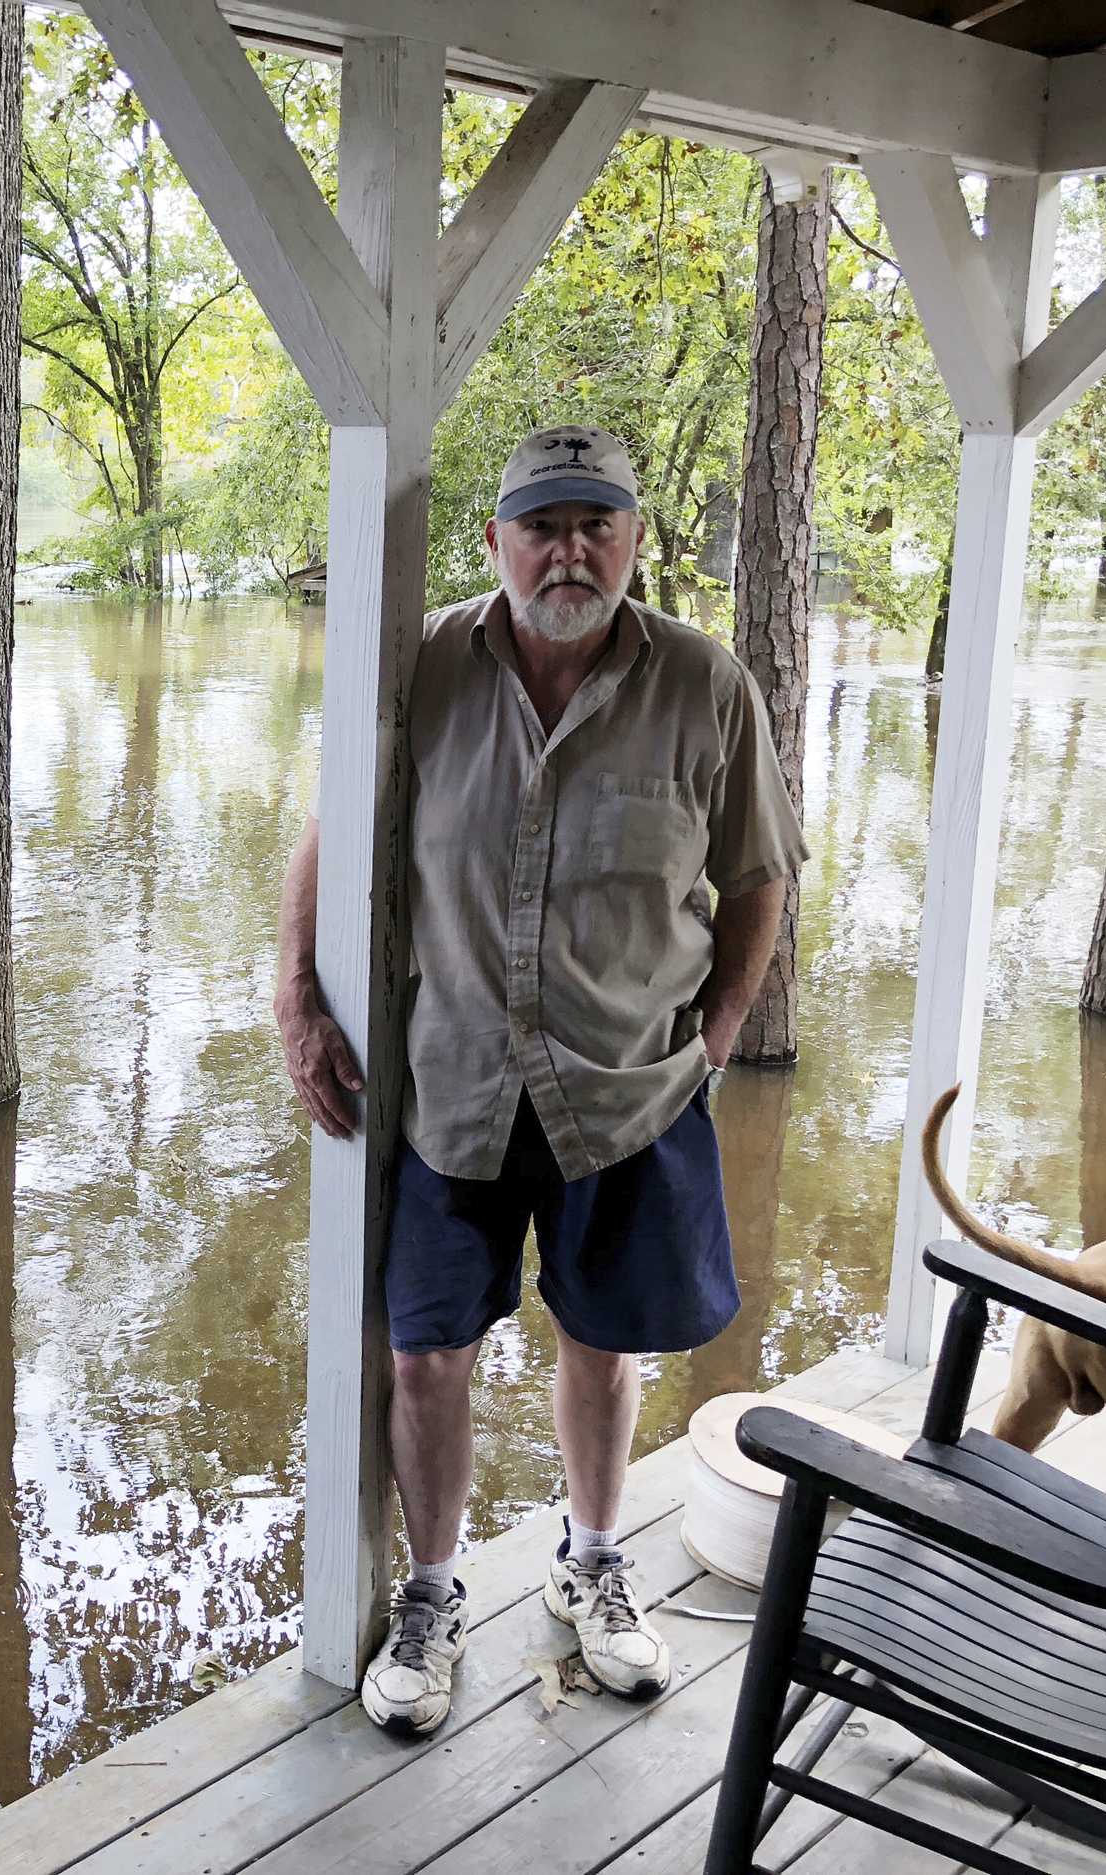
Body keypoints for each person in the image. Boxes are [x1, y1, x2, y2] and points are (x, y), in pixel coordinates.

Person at [274, 424, 805, 1737]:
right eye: (542, 525)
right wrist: (295, 995)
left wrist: (724, 1030)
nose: (569, 550)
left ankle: (591, 1564)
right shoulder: (425, 669)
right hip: (450, 1079)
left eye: (596, 525)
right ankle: (434, 1591)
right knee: (424, 1356)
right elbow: (333, 829)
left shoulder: (705, 683)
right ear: (498, 539)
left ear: (634, 538)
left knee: (603, 1342)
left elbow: (757, 877)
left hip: (626, 1086)